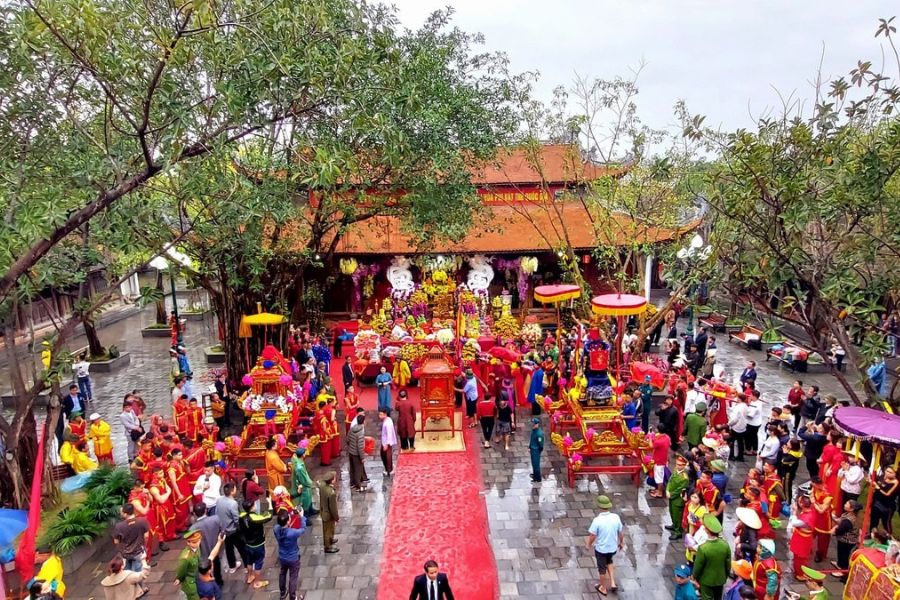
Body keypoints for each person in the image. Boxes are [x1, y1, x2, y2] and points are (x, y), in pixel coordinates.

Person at [585, 495, 624, 596]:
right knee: (609, 561)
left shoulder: (597, 520)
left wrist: (588, 544)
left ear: (599, 506)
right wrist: (621, 542)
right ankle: (612, 582)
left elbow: (593, 535)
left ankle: (603, 587)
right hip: (612, 547)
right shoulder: (616, 517)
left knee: (602, 568)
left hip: (601, 549)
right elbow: (620, 532)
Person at [174, 530, 225, 600]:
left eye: (198, 541)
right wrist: (179, 578)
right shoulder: (185, 558)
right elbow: (181, 570)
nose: (197, 544)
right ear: (188, 543)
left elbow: (211, 556)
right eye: (194, 542)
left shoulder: (196, 549)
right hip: (191, 582)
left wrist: (219, 542)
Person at [693, 514, 730, 600]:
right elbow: (728, 564)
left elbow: (698, 566)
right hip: (721, 578)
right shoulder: (725, 545)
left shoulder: (703, 548)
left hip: (706, 580)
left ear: (706, 530)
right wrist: (725, 575)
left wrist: (694, 577)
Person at [238, 501, 273, 588]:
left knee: (249, 561)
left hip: (248, 544)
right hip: (258, 545)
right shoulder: (255, 518)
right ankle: (257, 582)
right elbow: (268, 516)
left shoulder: (241, 516)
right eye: (254, 505)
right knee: (258, 563)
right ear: (252, 507)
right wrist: (270, 505)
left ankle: (250, 577)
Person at [215, 482, 247, 575]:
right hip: (233, 530)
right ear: (232, 491)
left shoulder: (219, 500)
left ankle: (232, 566)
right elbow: (236, 518)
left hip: (224, 529)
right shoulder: (233, 504)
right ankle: (246, 566)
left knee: (229, 548)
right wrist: (239, 528)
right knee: (241, 548)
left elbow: (217, 513)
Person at [189, 504, 224, 587]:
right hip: (215, 549)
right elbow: (222, 532)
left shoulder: (192, 528)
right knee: (217, 566)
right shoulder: (216, 519)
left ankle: (209, 583)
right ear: (205, 510)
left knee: (205, 570)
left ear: (194, 513)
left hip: (203, 553)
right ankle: (219, 581)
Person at [274, 509, 306, 600]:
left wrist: (292, 513)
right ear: (288, 521)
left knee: (282, 573)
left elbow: (283, 522)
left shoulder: (276, 529)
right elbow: (303, 529)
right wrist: (302, 516)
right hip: (293, 558)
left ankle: (283, 593)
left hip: (282, 556)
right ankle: (293, 597)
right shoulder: (292, 533)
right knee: (293, 578)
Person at [112, 504, 150, 575]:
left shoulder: (119, 526)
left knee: (126, 574)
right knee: (139, 574)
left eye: (121, 512)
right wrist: (144, 545)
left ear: (126, 514)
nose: (120, 513)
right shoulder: (142, 521)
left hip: (125, 553)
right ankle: (140, 586)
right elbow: (146, 536)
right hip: (138, 551)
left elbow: (116, 541)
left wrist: (122, 550)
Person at [789, 495, 816, 579]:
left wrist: (794, 512)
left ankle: (800, 573)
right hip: (804, 536)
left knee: (800, 557)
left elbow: (793, 522)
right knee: (800, 556)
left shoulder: (804, 519)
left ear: (801, 504)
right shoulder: (811, 512)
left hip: (802, 539)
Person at [832, 499, 861, 578]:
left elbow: (841, 530)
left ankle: (842, 570)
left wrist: (834, 531)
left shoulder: (849, 520)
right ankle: (839, 564)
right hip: (844, 539)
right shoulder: (848, 515)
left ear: (851, 509)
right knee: (840, 552)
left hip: (847, 541)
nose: (844, 504)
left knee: (843, 555)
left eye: (847, 504)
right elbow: (840, 521)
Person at [666, 454, 690, 540]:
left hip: (678, 499)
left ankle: (678, 531)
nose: (678, 466)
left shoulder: (684, 478)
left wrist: (671, 494)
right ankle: (674, 525)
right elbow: (670, 481)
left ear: (684, 465)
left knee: (677, 516)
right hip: (671, 497)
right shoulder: (675, 471)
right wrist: (667, 490)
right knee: (672, 512)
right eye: (677, 464)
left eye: (680, 465)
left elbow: (679, 490)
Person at [871, 466, 898, 534]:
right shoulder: (882, 476)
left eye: (890, 472)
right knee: (874, 520)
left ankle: (889, 537)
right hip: (876, 502)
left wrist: (878, 488)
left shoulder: (896, 482)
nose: (887, 473)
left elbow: (887, 494)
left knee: (885, 523)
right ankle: (872, 534)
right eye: (887, 471)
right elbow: (875, 483)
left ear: (895, 474)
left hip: (887, 506)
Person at [346, 413, 369, 492]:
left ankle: (352, 483)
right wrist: (362, 457)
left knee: (352, 468)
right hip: (356, 453)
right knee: (358, 470)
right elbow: (360, 446)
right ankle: (358, 486)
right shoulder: (361, 432)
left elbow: (347, 439)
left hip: (351, 452)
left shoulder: (352, 428)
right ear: (363, 422)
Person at [319, 471, 339, 554]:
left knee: (327, 529)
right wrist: (336, 517)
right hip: (328, 514)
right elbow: (333, 508)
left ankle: (330, 540)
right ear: (331, 480)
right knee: (328, 530)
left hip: (323, 510)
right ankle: (328, 547)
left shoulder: (322, 486)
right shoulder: (331, 493)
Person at [649, 425, 671, 498]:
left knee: (659, 478)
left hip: (659, 461)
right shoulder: (667, 437)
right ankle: (658, 490)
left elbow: (651, 446)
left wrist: (649, 437)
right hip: (664, 459)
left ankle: (659, 492)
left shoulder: (659, 441)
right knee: (660, 476)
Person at [727, 396, 748, 462]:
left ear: (739, 399)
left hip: (736, 427)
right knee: (740, 442)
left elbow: (734, 419)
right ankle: (740, 456)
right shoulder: (745, 406)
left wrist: (729, 424)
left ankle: (731, 455)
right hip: (743, 426)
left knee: (731, 441)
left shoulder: (738, 408)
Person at [379, 408, 397, 477]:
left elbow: (389, 434)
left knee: (387, 456)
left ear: (385, 414)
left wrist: (386, 444)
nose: (379, 416)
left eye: (381, 414)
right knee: (384, 455)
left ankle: (389, 470)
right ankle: (388, 468)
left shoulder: (388, 423)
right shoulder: (387, 420)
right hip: (384, 441)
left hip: (387, 442)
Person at [528, 417, 544, 483]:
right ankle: (535, 474)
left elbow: (541, 444)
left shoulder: (539, 434)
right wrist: (529, 447)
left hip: (536, 450)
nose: (532, 425)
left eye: (533, 424)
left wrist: (538, 450)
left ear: (537, 424)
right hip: (532, 449)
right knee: (533, 463)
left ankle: (537, 478)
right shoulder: (534, 431)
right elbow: (532, 439)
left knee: (536, 464)